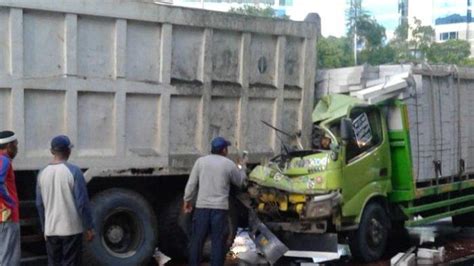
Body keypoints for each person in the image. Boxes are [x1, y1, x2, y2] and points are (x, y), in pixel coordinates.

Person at [183, 137, 247, 266]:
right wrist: (242, 167)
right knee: (218, 242)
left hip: (202, 208)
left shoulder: (200, 162)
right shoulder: (228, 164)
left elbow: (191, 184)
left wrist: (187, 201)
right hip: (220, 210)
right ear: (223, 150)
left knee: (197, 241)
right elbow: (240, 182)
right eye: (227, 148)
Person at [36, 135, 95, 266]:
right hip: (71, 229)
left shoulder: (42, 173)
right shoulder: (74, 171)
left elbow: (39, 204)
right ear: (68, 151)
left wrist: (45, 227)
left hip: (51, 229)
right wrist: (89, 227)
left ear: (52, 152)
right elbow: (82, 203)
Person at [0, 131, 20, 266]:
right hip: (7, 216)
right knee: (9, 257)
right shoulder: (4, 160)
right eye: (16, 144)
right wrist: (10, 202)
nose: (17, 147)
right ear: (9, 146)